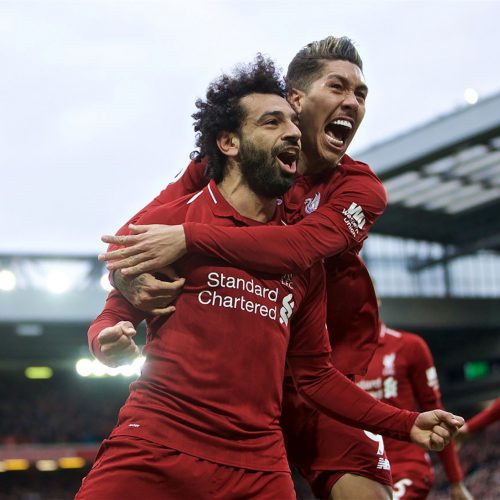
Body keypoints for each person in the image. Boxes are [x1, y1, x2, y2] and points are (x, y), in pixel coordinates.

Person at [79, 56, 462, 499]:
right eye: (337, 87)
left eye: (361, 94)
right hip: (158, 441)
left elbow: (301, 269)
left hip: (268, 441)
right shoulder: (187, 205)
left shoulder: (349, 196)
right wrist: (113, 317)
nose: (352, 102)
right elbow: (123, 253)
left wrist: (406, 423)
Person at [358, 322, 473, 500]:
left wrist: (456, 480)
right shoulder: (335, 354)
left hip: (405, 466)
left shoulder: (408, 346)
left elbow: (435, 411)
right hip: (359, 471)